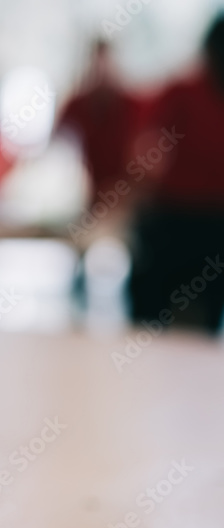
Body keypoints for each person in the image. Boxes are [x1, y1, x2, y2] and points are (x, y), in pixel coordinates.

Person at [128, 16, 224, 333]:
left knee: (201, 320)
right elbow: (147, 149)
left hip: (211, 222)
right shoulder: (181, 92)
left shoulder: (181, 91)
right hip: (174, 218)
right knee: (152, 310)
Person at [58, 41, 141, 204]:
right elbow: (59, 148)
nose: (102, 72)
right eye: (96, 66)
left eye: (106, 65)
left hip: (125, 198)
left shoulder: (134, 106)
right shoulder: (76, 106)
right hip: (88, 195)